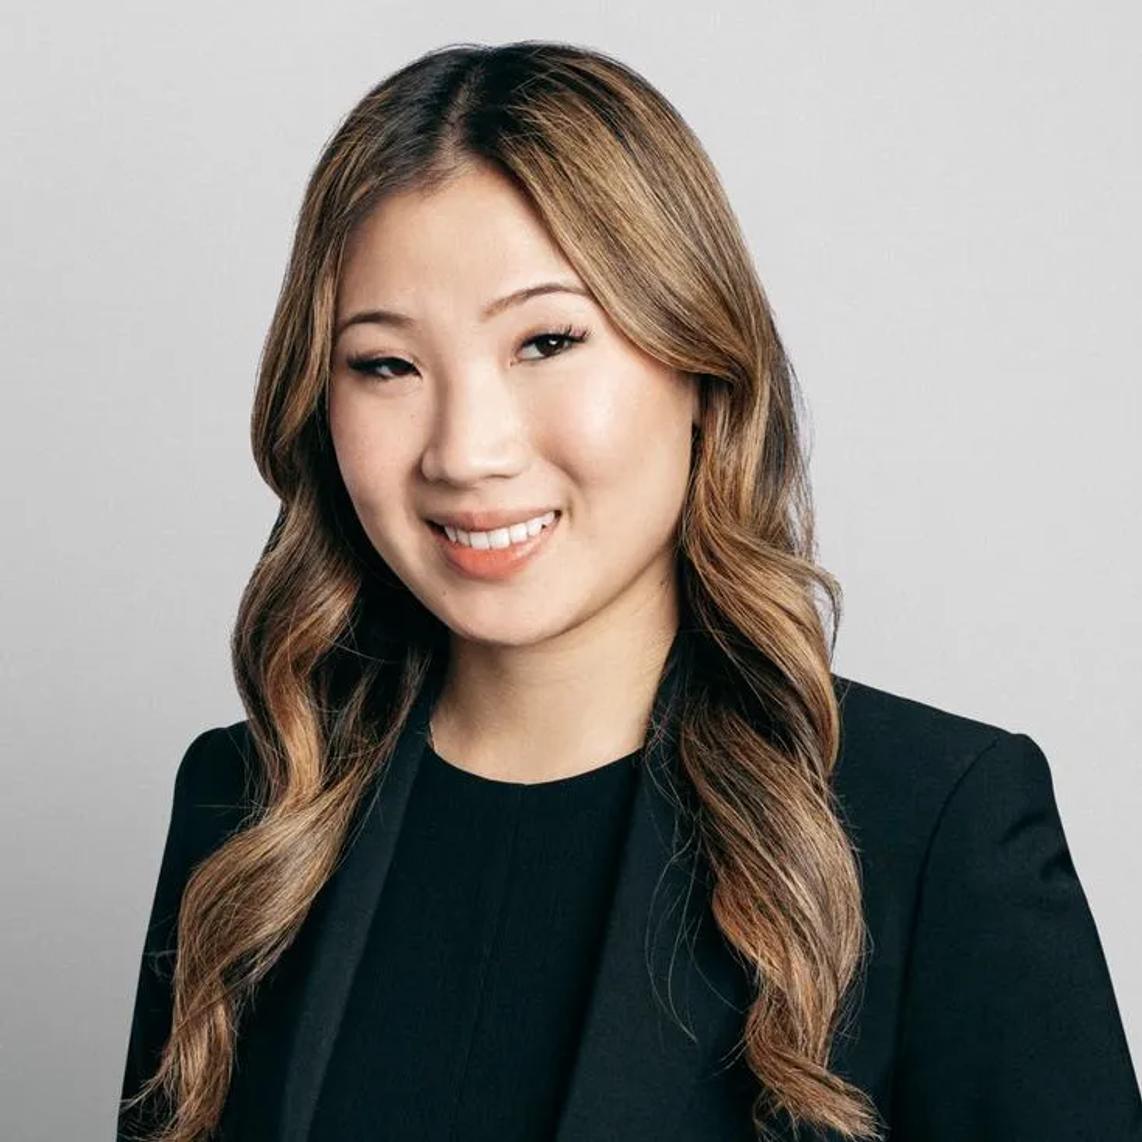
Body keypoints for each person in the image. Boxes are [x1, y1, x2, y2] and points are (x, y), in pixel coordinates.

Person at [117, 40, 1142, 1142]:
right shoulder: (245, 810)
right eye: (385, 364)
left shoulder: (933, 828)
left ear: (700, 364)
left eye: (547, 341)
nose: (465, 451)